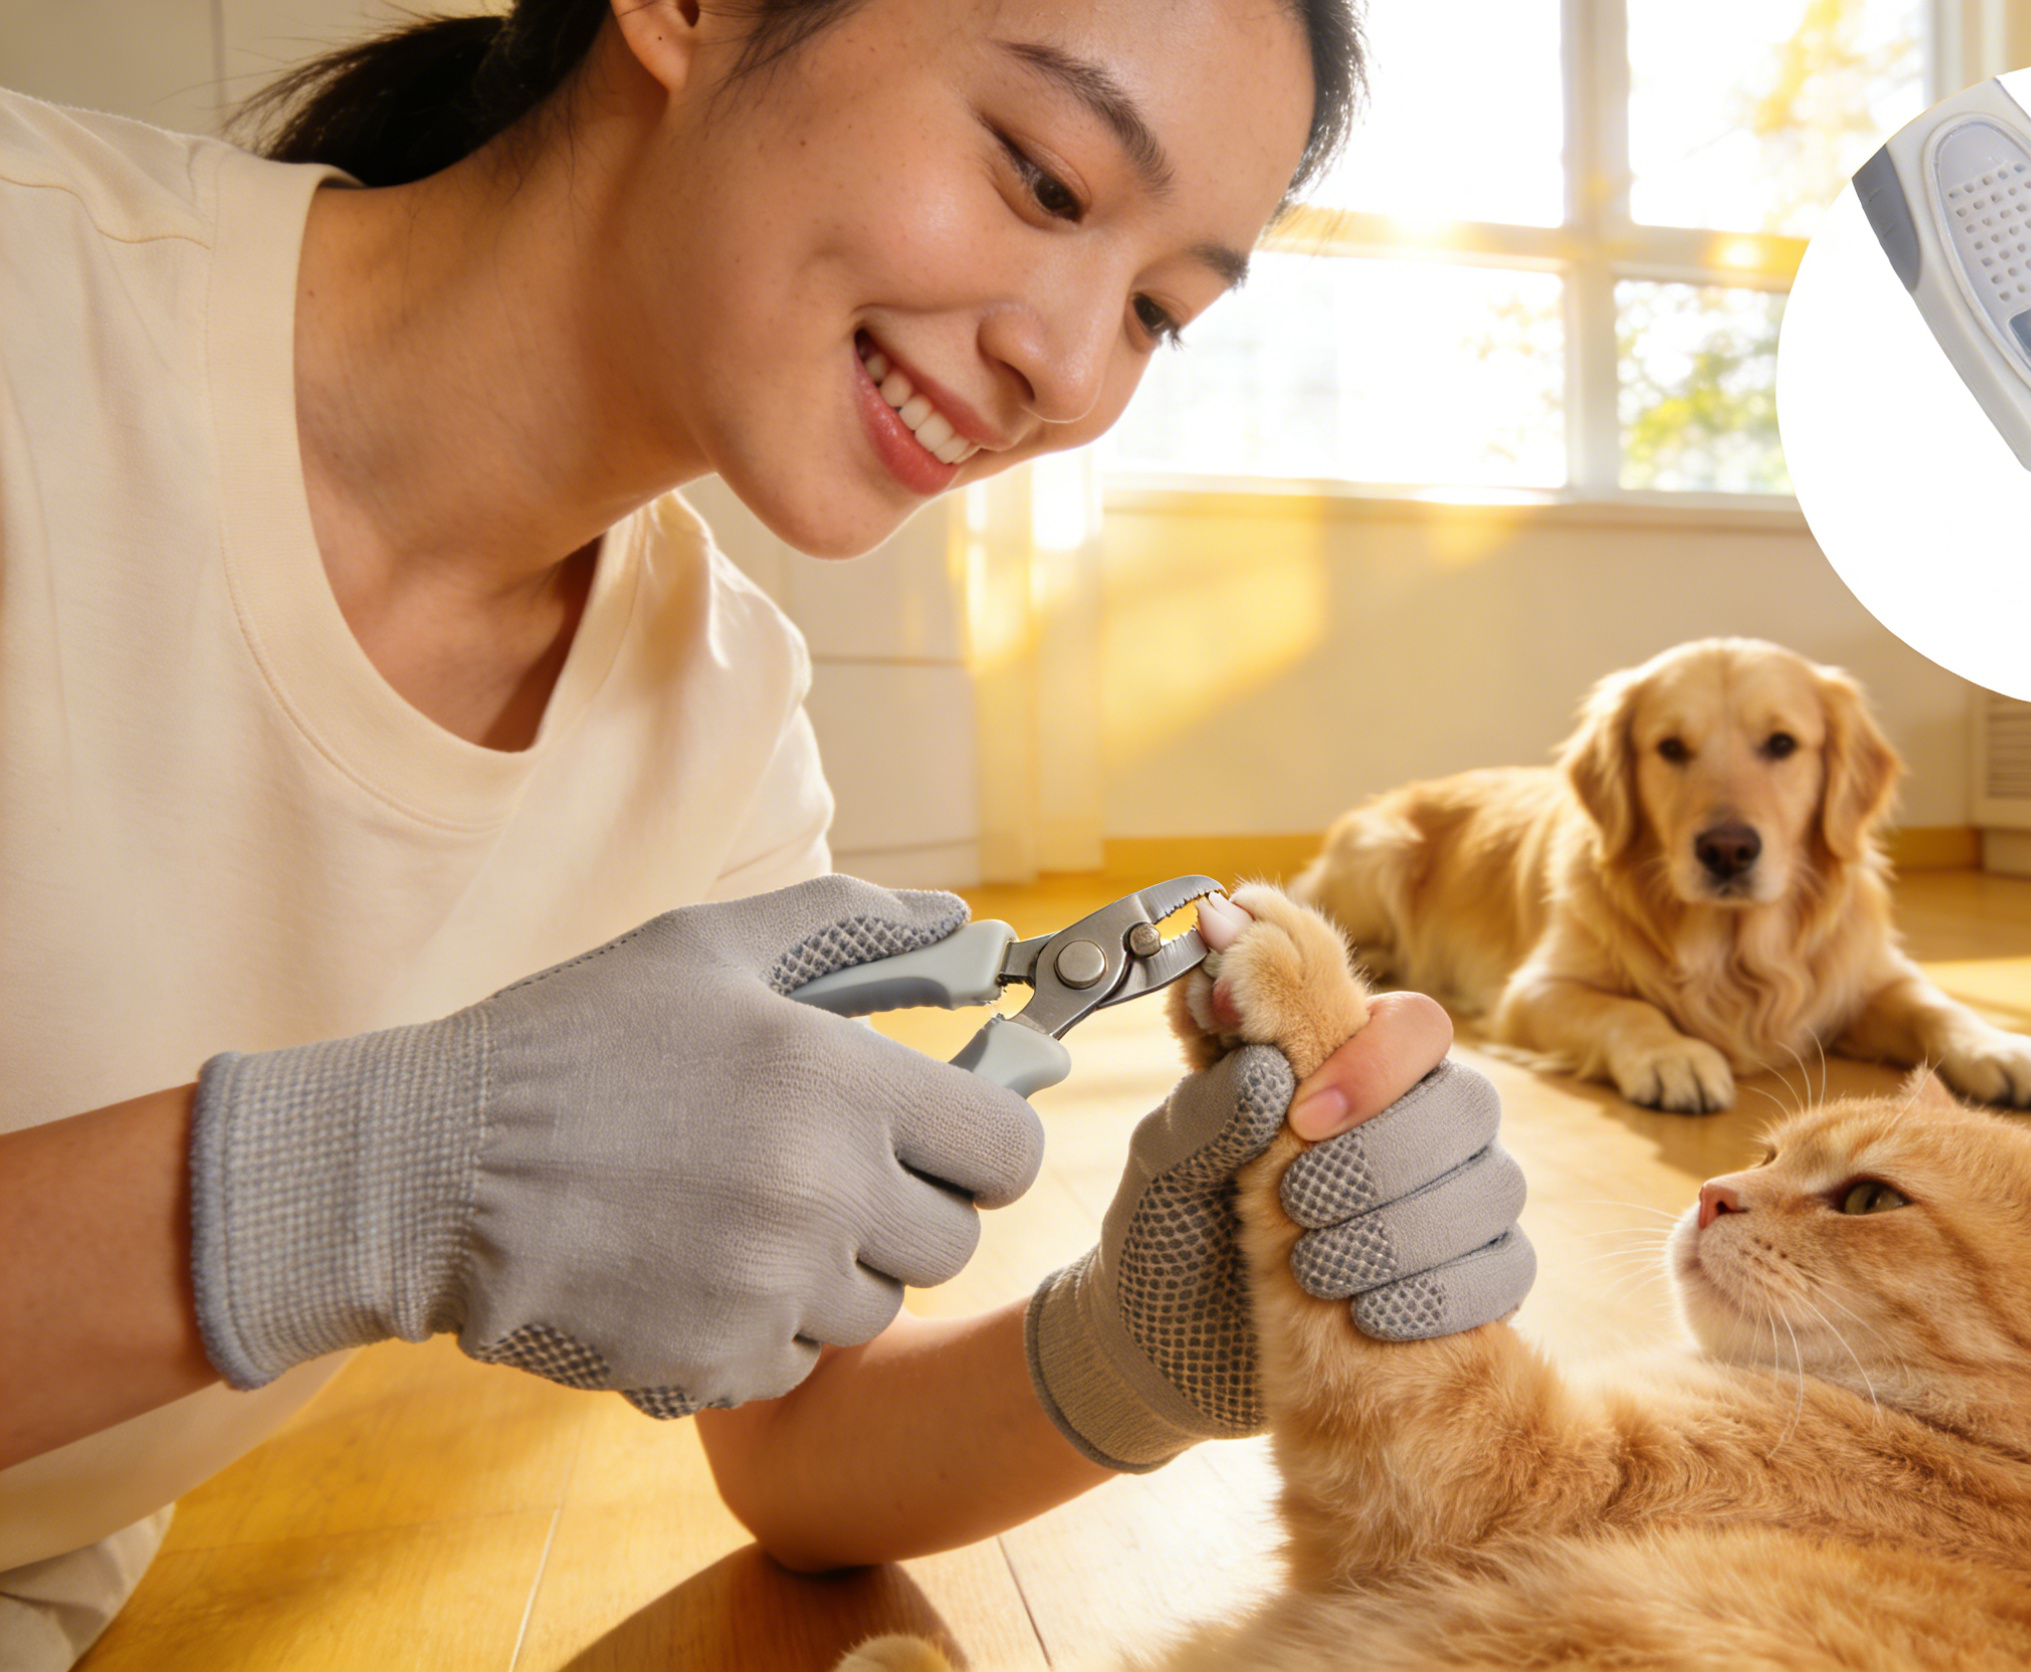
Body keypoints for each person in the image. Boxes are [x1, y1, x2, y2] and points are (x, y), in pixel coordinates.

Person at [0, 1, 1533, 1664]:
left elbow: (798, 1452)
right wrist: (348, 1184)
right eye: (1042, 176)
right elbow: (374, 1187)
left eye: (1159, 312)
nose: (1074, 372)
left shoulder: (719, 719)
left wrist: (1146, 1344)